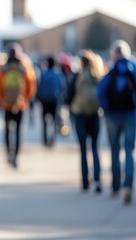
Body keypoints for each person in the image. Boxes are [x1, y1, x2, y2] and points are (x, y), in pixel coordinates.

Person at [97, 40, 136, 204]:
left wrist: (107, 110)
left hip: (113, 117)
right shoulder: (133, 69)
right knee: (129, 151)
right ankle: (128, 186)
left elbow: (100, 92)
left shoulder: (111, 71)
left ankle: (115, 186)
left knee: (114, 150)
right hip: (131, 115)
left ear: (114, 54)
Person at [0, 43, 37, 168]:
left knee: (7, 130)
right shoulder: (25, 68)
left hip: (6, 105)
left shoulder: (2, 69)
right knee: (18, 131)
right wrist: (24, 99)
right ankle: (16, 157)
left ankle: (8, 153)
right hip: (20, 105)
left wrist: (2, 100)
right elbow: (31, 86)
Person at [67, 50, 104, 193]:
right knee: (95, 148)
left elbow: (68, 96)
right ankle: (98, 180)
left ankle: (85, 182)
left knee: (83, 150)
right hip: (95, 114)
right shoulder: (98, 76)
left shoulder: (77, 77)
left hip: (80, 114)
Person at [36, 56, 65, 146]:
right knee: (54, 121)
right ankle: (52, 139)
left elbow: (38, 87)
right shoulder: (58, 74)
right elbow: (62, 87)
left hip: (44, 100)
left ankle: (45, 139)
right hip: (54, 100)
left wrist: (39, 98)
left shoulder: (43, 74)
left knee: (44, 121)